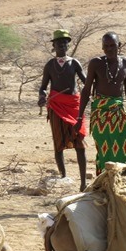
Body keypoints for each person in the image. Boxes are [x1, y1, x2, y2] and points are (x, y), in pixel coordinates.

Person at [74, 32, 126, 175]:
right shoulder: (96, 63)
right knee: (105, 149)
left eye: (113, 45)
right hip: (100, 114)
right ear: (102, 47)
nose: (110, 49)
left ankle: (124, 180)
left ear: (119, 45)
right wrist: (79, 118)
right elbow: (86, 91)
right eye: (106, 46)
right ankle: (105, 184)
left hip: (118, 111)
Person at [38, 29, 88, 191]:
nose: (62, 45)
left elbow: (86, 82)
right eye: (58, 43)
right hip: (56, 106)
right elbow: (43, 87)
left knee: (79, 142)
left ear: (68, 45)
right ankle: (63, 176)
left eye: (64, 42)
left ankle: (83, 183)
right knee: (58, 143)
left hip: (74, 106)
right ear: (54, 46)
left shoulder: (74, 63)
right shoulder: (49, 65)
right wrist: (42, 96)